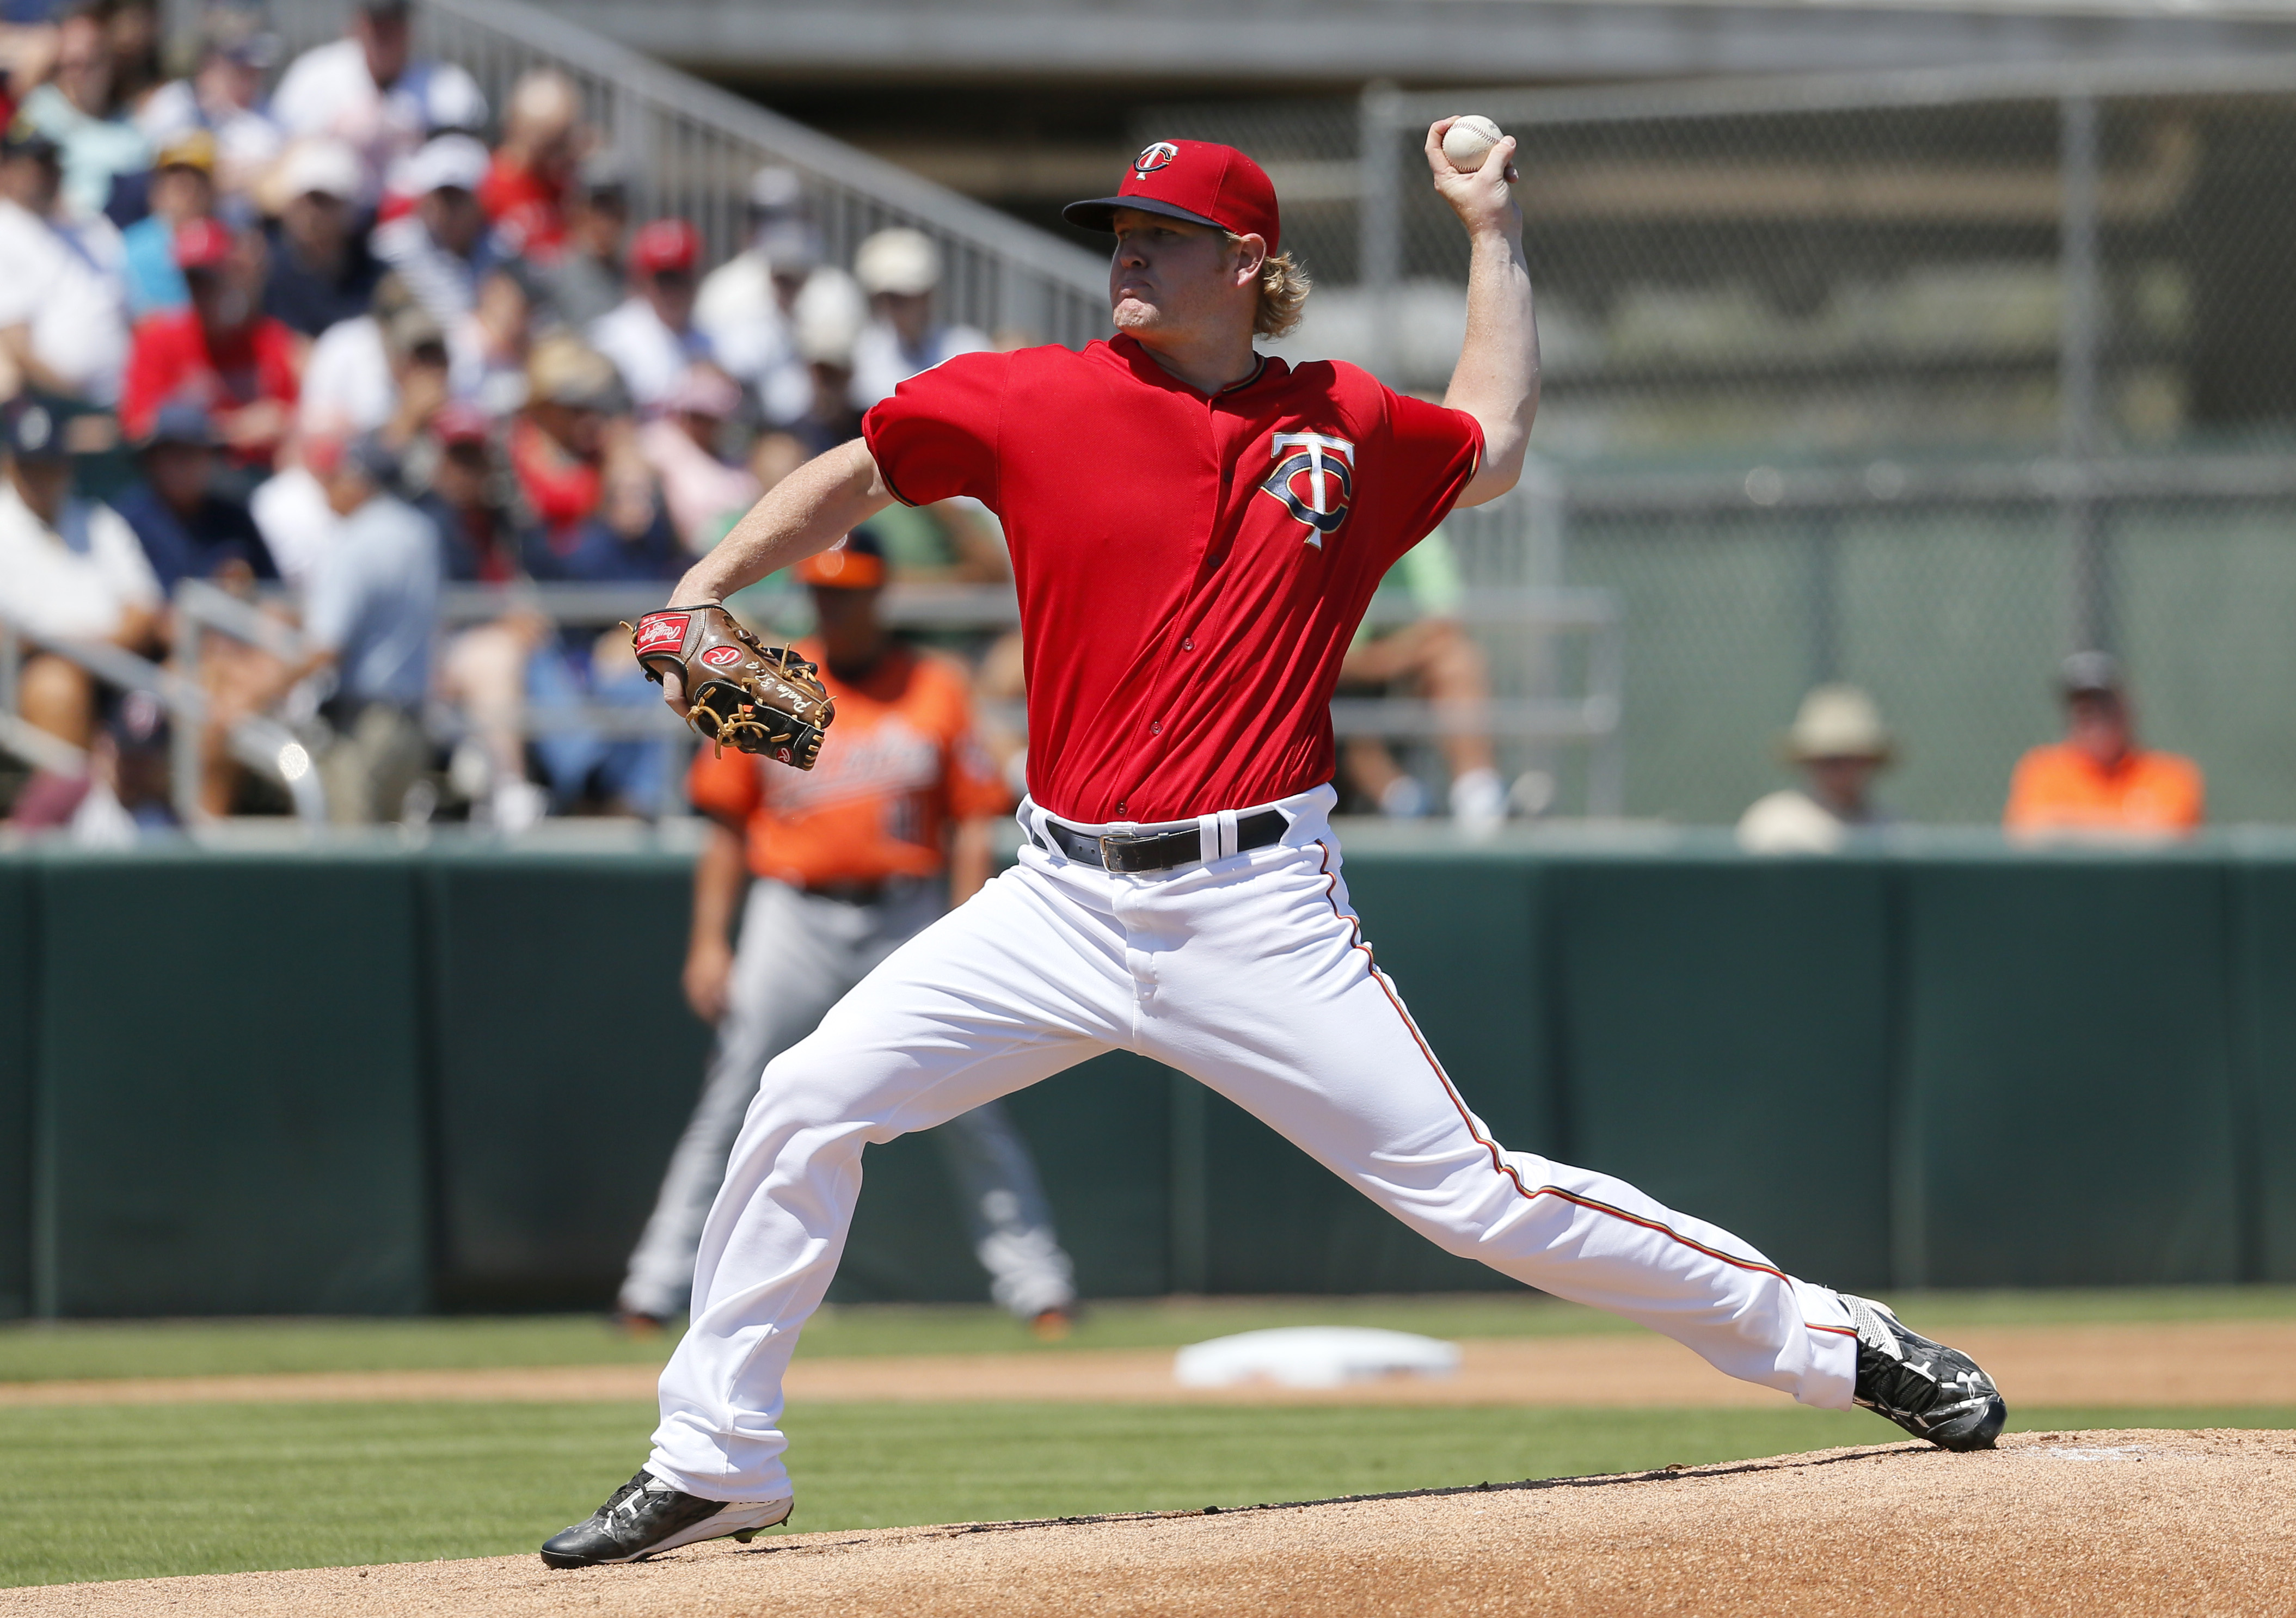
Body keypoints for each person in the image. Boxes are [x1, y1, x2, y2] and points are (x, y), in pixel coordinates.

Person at [541, 131, 2007, 1568]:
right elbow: (861, 470)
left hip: (1254, 902)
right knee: (806, 1096)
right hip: (1053, 895)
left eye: (1160, 233)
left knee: (1476, 1195)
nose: (1125, 249)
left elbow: (1492, 437)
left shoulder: (1344, 424)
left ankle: (1837, 1340)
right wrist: (703, 582)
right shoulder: (1028, 399)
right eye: (1117, 229)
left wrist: (1491, 228)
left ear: (1249, 262)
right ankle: (715, 1458)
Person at [618, 529, 1079, 1338]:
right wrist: (707, 941)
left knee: (970, 1099)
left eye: (853, 589)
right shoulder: (767, 682)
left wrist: (965, 926)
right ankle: (653, 1288)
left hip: (905, 910)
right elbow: (726, 825)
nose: (840, 604)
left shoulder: (935, 685)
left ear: (879, 594)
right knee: (735, 1096)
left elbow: (972, 820)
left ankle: (1037, 1285)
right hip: (790, 910)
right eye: (826, 591)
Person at [229, 432, 439, 823]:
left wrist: (259, 694)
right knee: (390, 852)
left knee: (351, 851)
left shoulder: (356, 540)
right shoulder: (420, 533)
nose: (327, 487)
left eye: (335, 476)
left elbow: (325, 650)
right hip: (414, 724)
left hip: (364, 729)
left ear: (360, 481)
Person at [0, 395, 161, 767]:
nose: (42, 477)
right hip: (23, 671)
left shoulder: (100, 522)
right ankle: (77, 815)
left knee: (178, 687)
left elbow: (144, 608)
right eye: (31, 466)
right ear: (11, 464)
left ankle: (166, 819)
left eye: (49, 465)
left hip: (114, 665)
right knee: (59, 687)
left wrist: (92, 651)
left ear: (67, 464)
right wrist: (64, 650)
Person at [1335, 526, 1507, 830]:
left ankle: (1480, 803)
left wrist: (1382, 661)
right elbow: (1324, 658)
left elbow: (1446, 627)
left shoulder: (1417, 516)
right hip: (1330, 696)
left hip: (1396, 680)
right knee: (1332, 704)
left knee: (1459, 661)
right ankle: (1409, 806)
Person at [119, 214, 298, 470]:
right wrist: (227, 428)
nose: (203, 292)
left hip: (260, 477)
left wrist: (283, 422)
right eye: (194, 281)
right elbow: (138, 427)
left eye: (212, 280)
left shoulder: (270, 339)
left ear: (235, 275)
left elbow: (293, 417)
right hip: (188, 482)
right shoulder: (158, 340)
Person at [267, 0, 483, 205]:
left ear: (410, 29)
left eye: (393, 26)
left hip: (415, 222)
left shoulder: (448, 85)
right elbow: (279, 157)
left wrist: (418, 136)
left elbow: (473, 162)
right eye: (377, 25)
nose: (385, 36)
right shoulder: (313, 75)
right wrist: (333, 137)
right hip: (337, 220)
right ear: (357, 25)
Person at [694, 167, 858, 427]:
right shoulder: (723, 288)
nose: (777, 225)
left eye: (786, 214)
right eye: (765, 216)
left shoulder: (835, 289)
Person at [2004, 651, 2202, 839]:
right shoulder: (2044, 770)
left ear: (2127, 708)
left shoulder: (2168, 774)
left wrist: (2065, 826)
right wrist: (2132, 829)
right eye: (2081, 707)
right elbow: (2031, 834)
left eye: (2103, 703)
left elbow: (2171, 836)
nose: (2093, 715)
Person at [0, 114, 128, 405]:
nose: (48, 174)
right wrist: (83, 405)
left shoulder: (87, 227)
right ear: (6, 171)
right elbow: (18, 348)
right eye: (36, 165)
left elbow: (135, 310)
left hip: (122, 397)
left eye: (52, 163)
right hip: (53, 405)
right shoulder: (5, 231)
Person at [110, 397, 274, 592]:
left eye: (194, 454)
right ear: (152, 461)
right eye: (174, 454)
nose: (184, 466)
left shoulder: (235, 519)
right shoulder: (126, 522)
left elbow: (276, 591)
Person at [15, 1, 148, 222]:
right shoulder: (37, 115)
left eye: (92, 62)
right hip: (53, 231)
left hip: (118, 233)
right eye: (73, 63)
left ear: (110, 63)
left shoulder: (130, 129)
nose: (81, 74)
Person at [371, 132, 502, 343]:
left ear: (479, 200)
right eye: (440, 196)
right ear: (424, 198)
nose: (447, 210)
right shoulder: (388, 252)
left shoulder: (504, 250)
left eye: (457, 198)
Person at [1737, 684, 1895, 854]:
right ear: (1811, 762)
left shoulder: (1891, 829)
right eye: (1832, 761)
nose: (1844, 769)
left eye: (1852, 759)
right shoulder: (1774, 823)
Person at [846, 226, 986, 409]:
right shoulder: (863, 354)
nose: (893, 307)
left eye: (903, 297)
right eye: (888, 298)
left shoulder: (968, 349)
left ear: (928, 295)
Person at [589, 217, 715, 412]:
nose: (672, 290)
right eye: (663, 279)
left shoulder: (710, 340)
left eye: (680, 278)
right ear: (643, 280)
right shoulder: (613, 339)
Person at [261, 138, 382, 338]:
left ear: (348, 208)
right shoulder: (268, 275)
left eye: (322, 201)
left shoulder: (377, 277)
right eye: (302, 201)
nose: (311, 213)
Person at [478, 67, 580, 260]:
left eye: (561, 139)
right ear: (515, 125)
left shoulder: (561, 187)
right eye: (548, 139)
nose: (557, 151)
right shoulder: (487, 183)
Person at [117, 127, 211, 319]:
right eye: (180, 186)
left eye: (198, 185)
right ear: (157, 192)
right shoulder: (133, 247)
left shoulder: (227, 241)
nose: (189, 196)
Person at [528, 150, 625, 334]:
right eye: (596, 210)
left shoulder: (636, 278)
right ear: (576, 212)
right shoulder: (551, 273)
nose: (604, 223)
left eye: (613, 212)